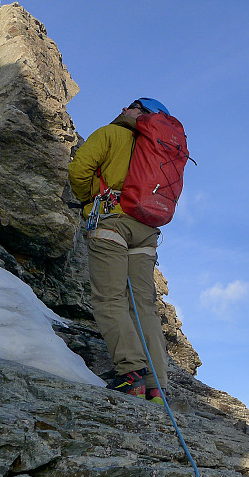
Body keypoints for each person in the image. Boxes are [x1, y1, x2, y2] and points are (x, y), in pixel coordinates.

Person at [68, 98, 171, 403]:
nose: (124, 107)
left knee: (109, 297)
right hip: (147, 232)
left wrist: (91, 200)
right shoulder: (159, 151)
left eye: (133, 105)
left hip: (112, 221)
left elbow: (79, 169)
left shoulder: (111, 134)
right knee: (144, 305)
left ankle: (131, 373)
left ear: (141, 113)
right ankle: (156, 384)